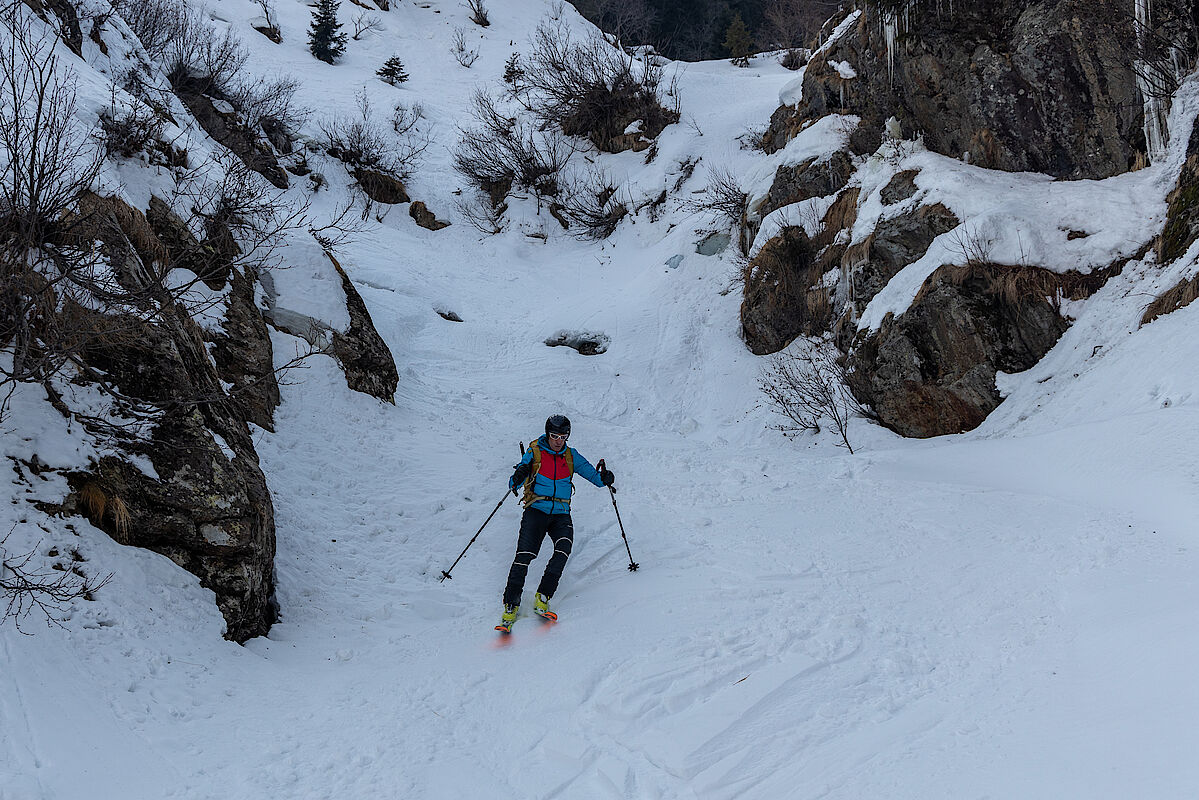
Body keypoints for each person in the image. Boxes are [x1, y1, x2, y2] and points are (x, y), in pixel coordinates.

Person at [499, 414, 614, 630]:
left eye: (563, 436)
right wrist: (518, 477)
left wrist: (606, 478)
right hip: (536, 510)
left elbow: (595, 478)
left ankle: (543, 595)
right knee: (524, 556)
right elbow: (515, 479)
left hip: (560, 512)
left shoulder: (571, 456)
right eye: (555, 436)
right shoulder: (535, 452)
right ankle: (511, 604)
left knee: (563, 548)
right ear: (547, 433)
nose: (559, 440)